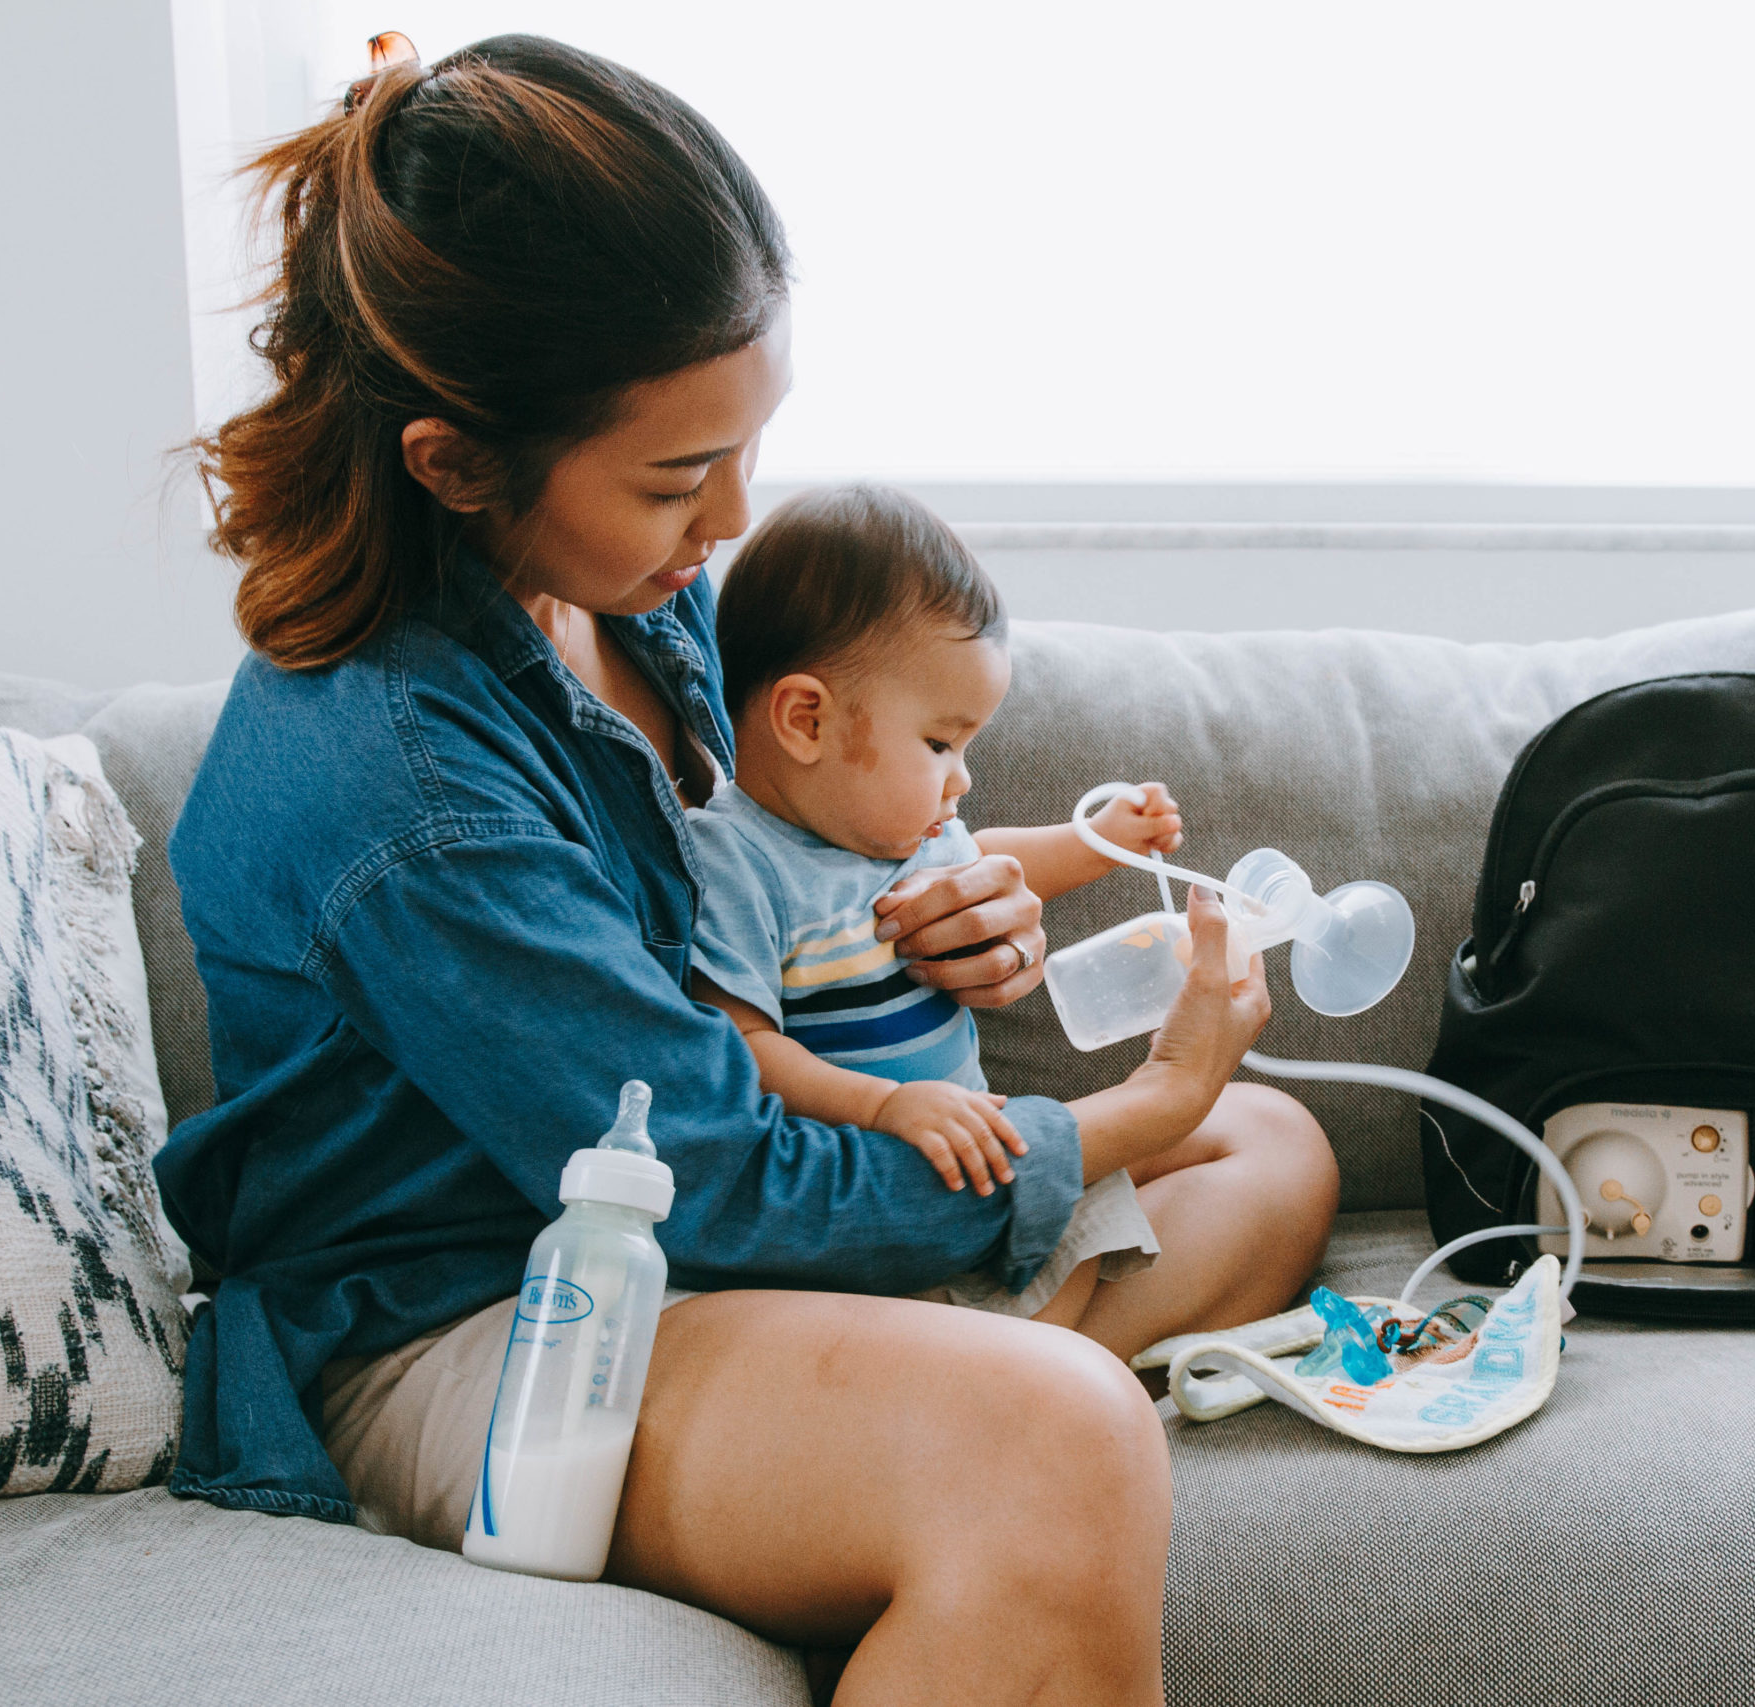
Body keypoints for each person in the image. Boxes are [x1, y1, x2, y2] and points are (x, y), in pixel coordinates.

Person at [153, 32, 1339, 1706]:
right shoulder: (401, 784)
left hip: (695, 1240)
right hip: (483, 1312)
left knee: (1278, 1139)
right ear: (452, 460)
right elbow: (706, 1168)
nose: (729, 523)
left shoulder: (642, 595)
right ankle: (973, 1429)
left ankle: (918, 1434)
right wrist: (1120, 1123)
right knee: (1053, 1438)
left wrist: (945, 911)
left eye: (743, 448)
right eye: (673, 476)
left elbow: (798, 865)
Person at [683, 481, 1196, 1340]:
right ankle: (1030, 1365)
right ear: (804, 718)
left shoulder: (912, 831)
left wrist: (1105, 838)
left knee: (1272, 1137)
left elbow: (999, 857)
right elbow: (741, 1048)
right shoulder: (736, 861)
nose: (960, 778)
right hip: (878, 1224)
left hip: (980, 1178)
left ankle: (1038, 1351)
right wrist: (885, 1108)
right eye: (939, 743)